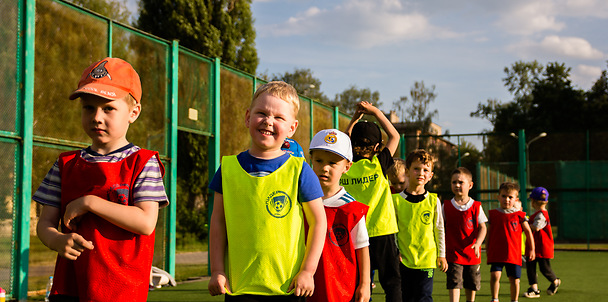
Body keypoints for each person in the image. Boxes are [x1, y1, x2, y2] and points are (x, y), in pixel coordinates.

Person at [34, 57, 168, 301]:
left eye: (108, 108)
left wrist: (89, 202)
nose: (97, 116)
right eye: (88, 107)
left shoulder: (143, 163)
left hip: (121, 290)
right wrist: (57, 240)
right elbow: (45, 225)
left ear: (133, 112)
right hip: (70, 287)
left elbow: (146, 222)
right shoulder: (65, 164)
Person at [207, 81, 327, 301]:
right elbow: (218, 222)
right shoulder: (228, 168)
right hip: (239, 287)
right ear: (247, 117)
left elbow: (319, 222)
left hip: (287, 287)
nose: (268, 121)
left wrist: (308, 271)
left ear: (292, 128)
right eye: (261, 113)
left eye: (279, 117)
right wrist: (217, 270)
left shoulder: (300, 170)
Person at [340, 101, 402, 302]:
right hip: (382, 232)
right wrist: (376, 112)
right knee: (392, 283)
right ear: (377, 147)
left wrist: (354, 120)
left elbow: (343, 140)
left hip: (354, 234)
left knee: (359, 283)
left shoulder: (345, 165)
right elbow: (395, 136)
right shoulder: (379, 163)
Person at [307, 129, 371, 302]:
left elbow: (362, 247)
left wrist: (365, 284)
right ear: (311, 160)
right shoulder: (302, 202)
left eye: (333, 163)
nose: (325, 168)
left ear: (347, 167)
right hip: (305, 286)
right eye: (319, 160)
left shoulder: (351, 208)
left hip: (341, 288)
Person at [393, 149, 447, 302]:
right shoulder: (395, 200)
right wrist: (396, 251)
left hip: (427, 259)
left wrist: (441, 254)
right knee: (406, 297)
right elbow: (393, 231)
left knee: (423, 297)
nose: (421, 173)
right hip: (404, 259)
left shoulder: (433, 201)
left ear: (430, 175)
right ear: (407, 172)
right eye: (416, 168)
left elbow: (439, 229)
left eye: (425, 170)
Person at [443, 167, 488, 302]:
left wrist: (478, 243)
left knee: (471, 282)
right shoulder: (445, 206)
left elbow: (483, 228)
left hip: (472, 253)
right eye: (454, 182)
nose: (457, 185)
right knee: (454, 281)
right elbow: (440, 227)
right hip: (453, 253)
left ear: (470, 185)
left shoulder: (476, 206)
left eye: (461, 182)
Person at [486, 182, 535, 302]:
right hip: (497, 253)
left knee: (514, 279)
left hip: (513, 254)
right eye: (503, 196)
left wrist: (532, 249)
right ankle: (495, 299)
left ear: (516, 199)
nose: (506, 199)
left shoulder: (520, 215)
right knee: (495, 275)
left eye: (510, 197)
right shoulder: (494, 214)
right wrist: (487, 248)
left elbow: (528, 232)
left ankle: (514, 300)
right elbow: (488, 233)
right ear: (498, 197)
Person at [524, 187, 561, 298]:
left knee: (544, 268)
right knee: (530, 266)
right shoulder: (539, 214)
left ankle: (555, 281)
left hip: (542, 247)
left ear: (533, 201)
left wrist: (524, 223)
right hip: (535, 246)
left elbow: (536, 228)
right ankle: (534, 288)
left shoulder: (541, 215)